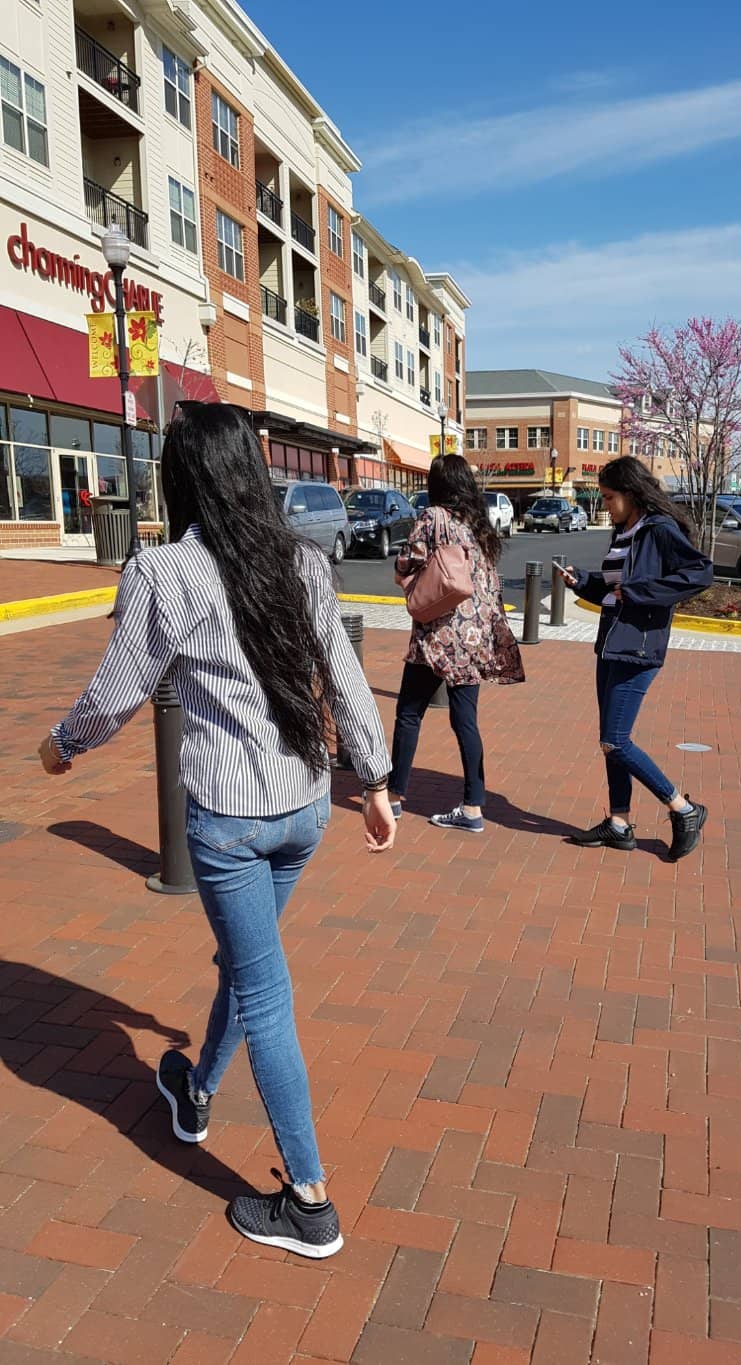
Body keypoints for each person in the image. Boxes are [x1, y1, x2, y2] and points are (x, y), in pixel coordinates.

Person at [38, 402, 395, 1259]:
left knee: (264, 989)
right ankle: (195, 1091)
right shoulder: (302, 562)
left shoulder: (167, 572)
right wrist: (376, 781)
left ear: (184, 478)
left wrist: (62, 747)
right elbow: (345, 673)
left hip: (231, 822)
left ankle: (309, 1203)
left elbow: (117, 691)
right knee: (249, 961)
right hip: (305, 806)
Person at [563, 456, 713, 860]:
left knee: (615, 739)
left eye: (610, 497)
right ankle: (619, 823)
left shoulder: (659, 530)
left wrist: (641, 593)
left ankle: (683, 809)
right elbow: (616, 590)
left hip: (639, 649)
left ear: (631, 493)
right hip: (611, 644)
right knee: (609, 743)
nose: (605, 505)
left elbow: (699, 573)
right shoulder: (623, 530)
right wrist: (585, 582)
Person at [389, 454, 524, 831]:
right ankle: (472, 808)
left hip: (437, 635)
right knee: (466, 720)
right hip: (473, 637)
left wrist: (404, 574)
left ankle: (395, 796)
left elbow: (407, 560)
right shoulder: (478, 525)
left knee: (409, 713)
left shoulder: (433, 517)